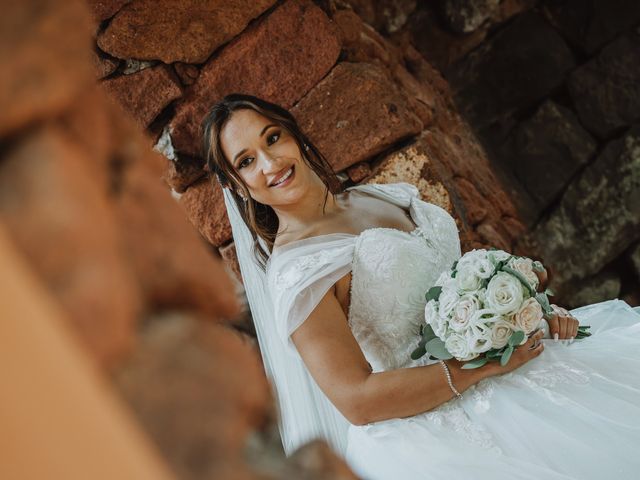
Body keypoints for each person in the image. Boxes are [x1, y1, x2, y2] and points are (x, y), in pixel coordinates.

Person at [201, 93, 640, 480]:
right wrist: (483, 368)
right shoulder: (299, 269)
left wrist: (527, 314)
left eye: (272, 138)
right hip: (444, 423)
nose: (270, 163)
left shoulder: (380, 196)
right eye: (246, 161)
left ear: (293, 134)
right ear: (236, 185)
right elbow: (357, 399)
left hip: (517, 364)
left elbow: (454, 284)